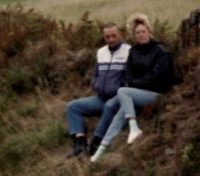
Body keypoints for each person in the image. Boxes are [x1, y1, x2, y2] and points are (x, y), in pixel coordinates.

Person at [90, 14, 175, 163]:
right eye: (137, 33)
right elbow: (128, 75)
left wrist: (134, 84)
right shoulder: (133, 52)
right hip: (136, 93)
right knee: (120, 114)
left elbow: (157, 76)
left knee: (122, 91)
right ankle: (100, 151)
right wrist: (132, 84)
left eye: (143, 31)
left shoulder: (160, 50)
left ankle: (134, 127)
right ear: (134, 35)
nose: (140, 35)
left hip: (157, 93)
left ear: (149, 32)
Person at [65, 23, 131, 158]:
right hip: (101, 97)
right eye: (107, 37)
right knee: (73, 107)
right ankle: (80, 144)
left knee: (108, 106)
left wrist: (118, 88)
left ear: (120, 34)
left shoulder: (129, 51)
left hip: (119, 99)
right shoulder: (101, 52)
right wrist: (96, 84)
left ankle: (95, 143)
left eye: (114, 36)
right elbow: (95, 74)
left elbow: (131, 77)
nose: (111, 39)